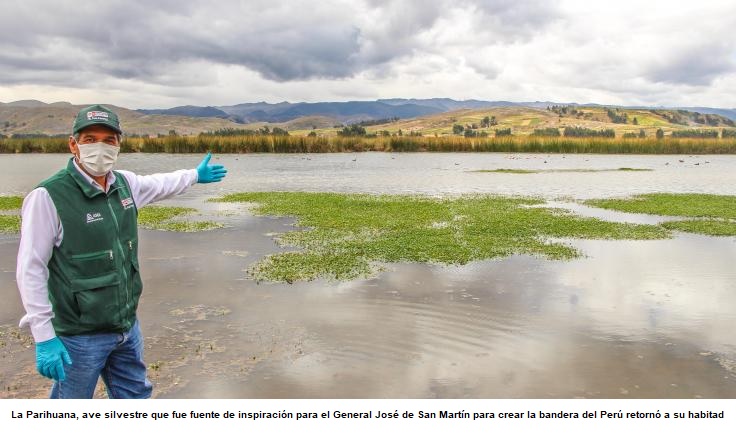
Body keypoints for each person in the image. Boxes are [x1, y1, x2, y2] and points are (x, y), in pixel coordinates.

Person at [15, 104, 227, 398]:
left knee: (135, 398)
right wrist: (44, 336)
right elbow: (31, 269)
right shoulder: (48, 197)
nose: (99, 147)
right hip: (79, 336)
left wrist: (194, 175)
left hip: (126, 328)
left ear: (119, 145)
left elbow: (161, 183)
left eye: (109, 139)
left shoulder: (125, 184)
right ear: (73, 144)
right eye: (90, 139)